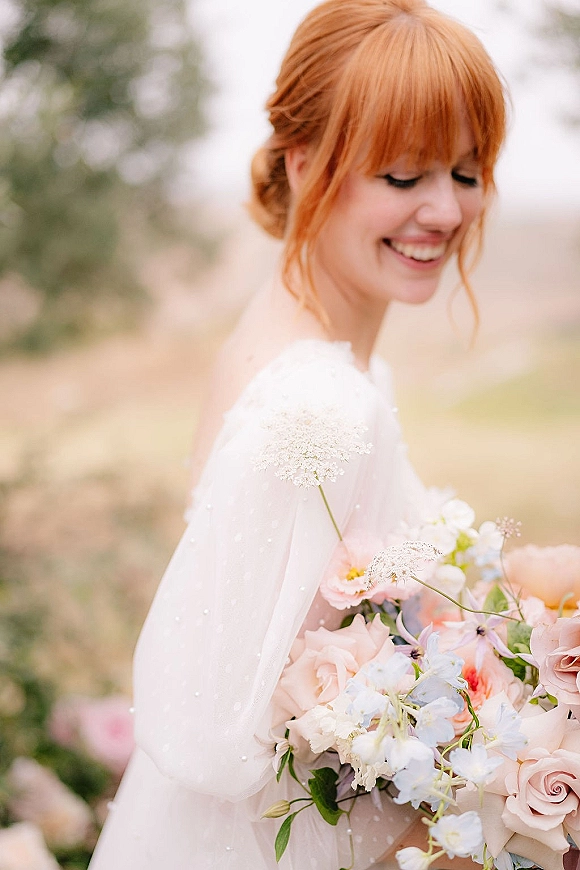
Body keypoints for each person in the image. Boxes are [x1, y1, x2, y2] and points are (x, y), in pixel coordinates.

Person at [88, 1, 506, 868]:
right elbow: (217, 739)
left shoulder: (321, 365)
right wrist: (479, 798)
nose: (446, 209)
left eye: (467, 172)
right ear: (306, 162)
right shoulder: (319, 406)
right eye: (404, 176)